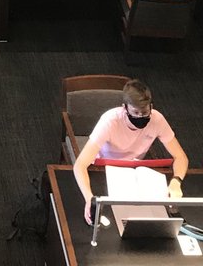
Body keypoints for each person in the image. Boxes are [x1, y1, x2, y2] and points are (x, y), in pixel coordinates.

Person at [73, 79, 188, 225]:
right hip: (103, 170)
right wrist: (89, 198)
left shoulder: (157, 119)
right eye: (135, 112)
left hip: (134, 172)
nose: (140, 117)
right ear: (124, 108)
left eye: (145, 112)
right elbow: (80, 165)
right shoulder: (109, 121)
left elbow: (181, 157)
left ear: (151, 107)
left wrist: (176, 181)